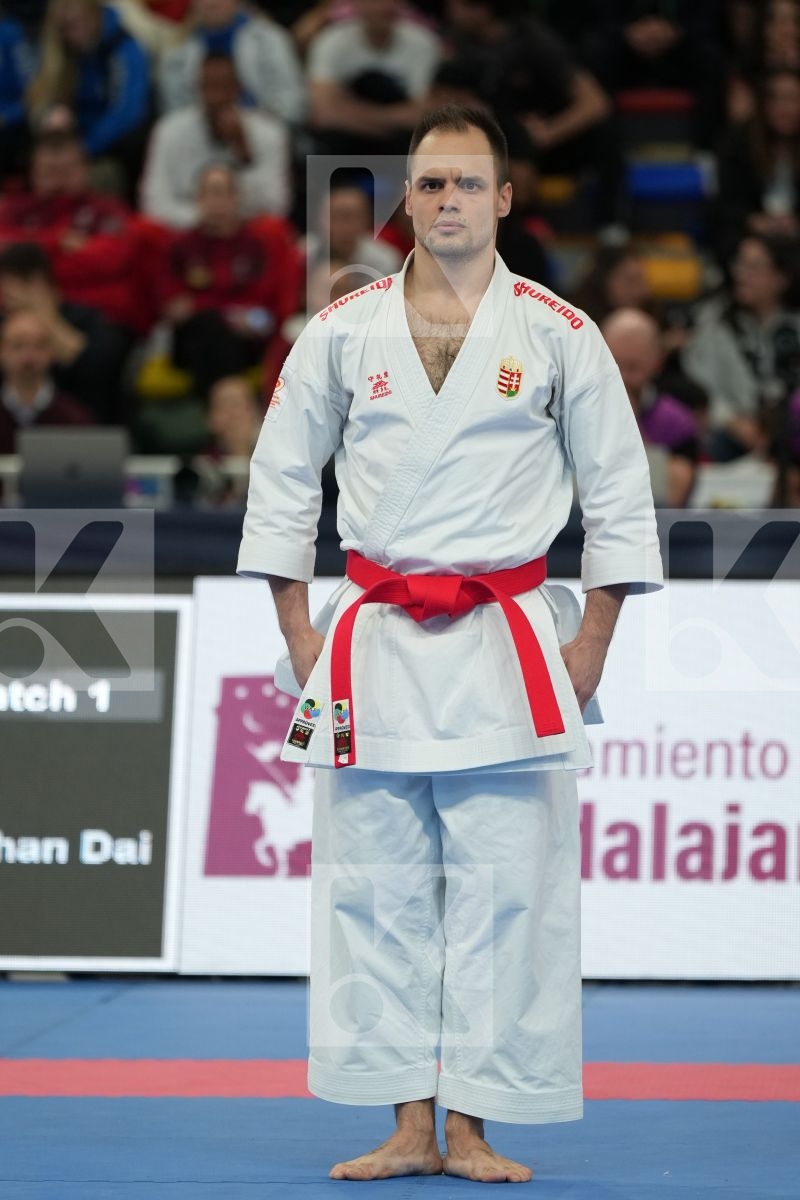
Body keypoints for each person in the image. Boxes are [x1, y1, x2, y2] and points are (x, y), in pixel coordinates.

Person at [237, 104, 662, 1181]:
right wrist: (298, 632)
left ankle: (475, 1121)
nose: (447, 201)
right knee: (373, 889)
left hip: (509, 644)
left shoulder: (562, 334)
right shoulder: (339, 330)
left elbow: (617, 499)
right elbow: (282, 483)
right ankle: (407, 1122)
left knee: (506, 893)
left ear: (505, 199)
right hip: (372, 639)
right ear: (406, 202)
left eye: (467, 183)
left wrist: (592, 645)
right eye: (427, 185)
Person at [157, 163, 299, 397]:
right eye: (208, 193)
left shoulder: (256, 246)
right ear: (198, 200)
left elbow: (264, 307)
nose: (215, 201)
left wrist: (207, 306)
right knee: (209, 329)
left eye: (221, 192)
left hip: (245, 340)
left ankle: (216, 414)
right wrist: (226, 313)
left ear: (236, 198)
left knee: (215, 335)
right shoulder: (181, 246)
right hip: (194, 337)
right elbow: (173, 304)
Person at [0, 130, 142, 334]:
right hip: (14, 310)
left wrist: (30, 261)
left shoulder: (106, 209)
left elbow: (111, 259)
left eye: (65, 171)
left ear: (85, 169)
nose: (58, 181)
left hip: (90, 312)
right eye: (49, 171)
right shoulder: (15, 208)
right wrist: (58, 241)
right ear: (33, 171)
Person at [681, 232, 800, 460]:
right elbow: (699, 388)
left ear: (781, 278)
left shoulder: (795, 326)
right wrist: (733, 422)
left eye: (754, 267)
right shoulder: (714, 320)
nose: (741, 274)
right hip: (731, 431)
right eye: (740, 264)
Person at [140, 53, 291, 228]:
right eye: (208, 87)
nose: (215, 97)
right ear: (197, 88)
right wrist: (204, 217)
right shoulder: (169, 130)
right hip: (185, 231)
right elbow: (153, 202)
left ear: (238, 89)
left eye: (223, 87)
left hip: (244, 232)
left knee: (273, 229)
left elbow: (276, 206)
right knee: (144, 230)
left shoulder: (269, 132)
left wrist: (243, 152)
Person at [26, 0, 150, 189]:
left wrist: (85, 148)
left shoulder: (123, 47)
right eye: (63, 27)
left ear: (94, 16)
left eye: (75, 24)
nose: (70, 35)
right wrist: (47, 116)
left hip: (106, 148)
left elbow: (128, 112)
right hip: (65, 143)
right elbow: (38, 98)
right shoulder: (60, 52)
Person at [0, 241, 130, 421]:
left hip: (83, 426)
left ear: (38, 282)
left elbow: (98, 366)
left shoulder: (86, 319)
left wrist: (44, 314)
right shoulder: (4, 322)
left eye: (10, 290)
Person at [306, 0, 441, 156]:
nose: (382, 7)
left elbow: (422, 115)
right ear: (357, 4)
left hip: (403, 144)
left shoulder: (424, 44)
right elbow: (323, 114)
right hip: (344, 143)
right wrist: (393, 119)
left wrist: (347, 109)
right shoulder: (329, 42)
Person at [602, 307, 701, 507]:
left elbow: (676, 495)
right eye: (613, 365)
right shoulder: (567, 411)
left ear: (657, 363)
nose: (621, 378)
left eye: (632, 367)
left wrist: (629, 421)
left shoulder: (677, 421)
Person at [157, 0, 305, 124]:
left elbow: (292, 104)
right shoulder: (176, 58)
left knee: (318, 158)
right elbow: (175, 116)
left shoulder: (271, 40)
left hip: (268, 134)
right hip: (201, 144)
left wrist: (251, 128)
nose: (211, 3)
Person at [0, 307, 92, 454]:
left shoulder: (75, 419)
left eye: (38, 346)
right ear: (2, 351)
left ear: (52, 351)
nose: (28, 356)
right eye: (18, 346)